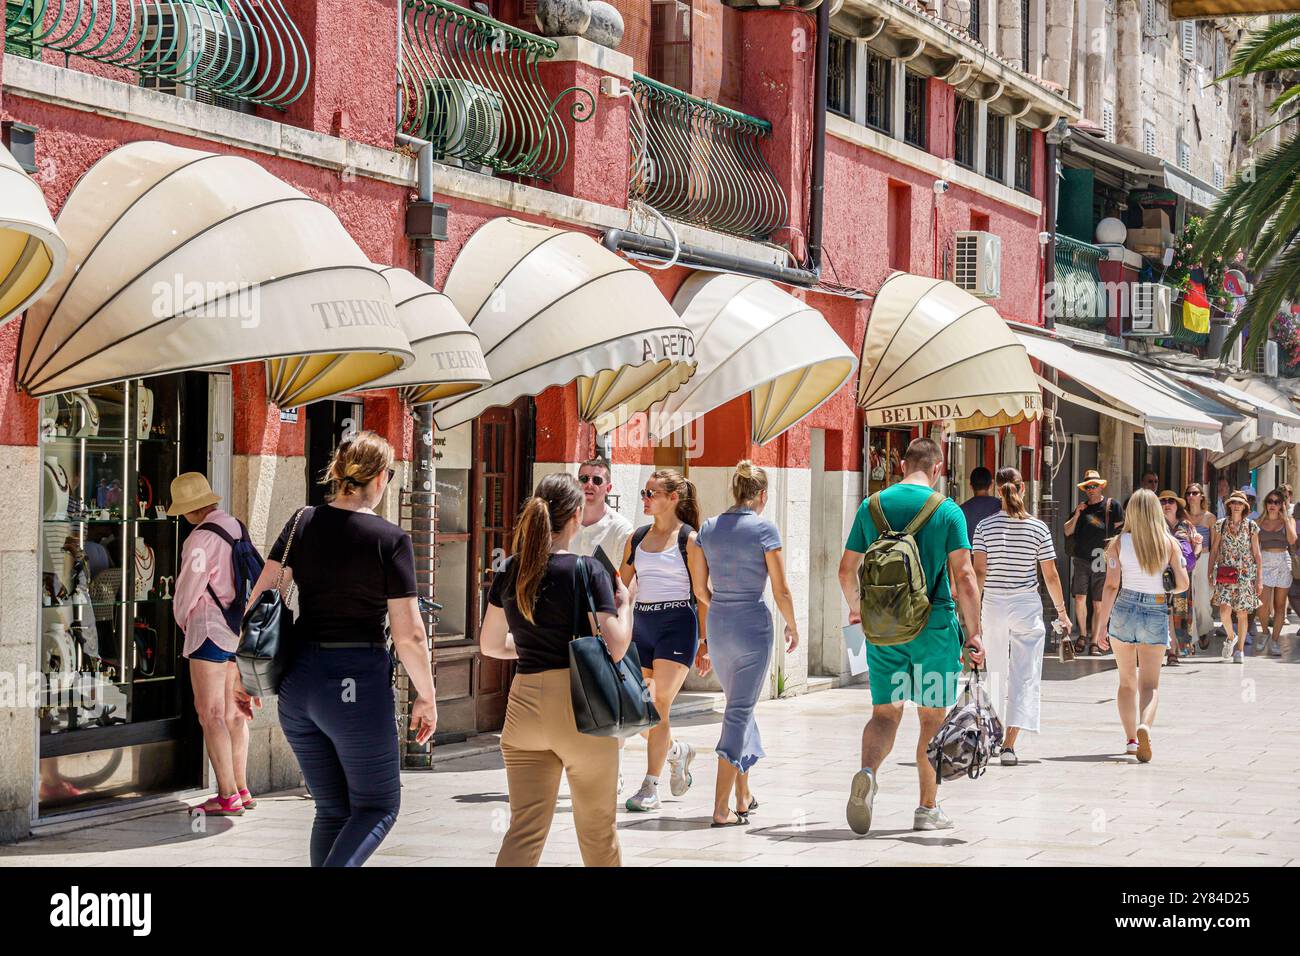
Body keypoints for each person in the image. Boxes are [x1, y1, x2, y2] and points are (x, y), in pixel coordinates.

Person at [242, 432, 436, 867]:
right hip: (355, 682)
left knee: (332, 809)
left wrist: (245, 676)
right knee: (378, 806)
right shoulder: (389, 539)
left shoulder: (301, 522)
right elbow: (409, 636)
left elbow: (259, 603)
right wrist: (426, 694)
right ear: (381, 477)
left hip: (298, 685)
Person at [480, 473, 633, 866]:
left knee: (524, 829)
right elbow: (616, 646)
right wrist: (627, 605)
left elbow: (491, 644)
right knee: (598, 830)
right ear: (577, 515)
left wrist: (533, 644)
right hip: (581, 707)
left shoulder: (511, 569)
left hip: (524, 705)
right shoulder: (588, 570)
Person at [838, 437, 985, 834]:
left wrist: (858, 607)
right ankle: (926, 808)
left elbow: (845, 569)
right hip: (934, 629)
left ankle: (867, 771)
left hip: (884, 631)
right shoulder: (948, 511)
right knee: (931, 718)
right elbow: (966, 578)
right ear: (937, 469)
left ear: (902, 465)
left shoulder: (872, 507)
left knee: (885, 714)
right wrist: (974, 634)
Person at [694, 461, 798, 827]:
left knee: (740, 707)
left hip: (720, 624)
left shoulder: (708, 529)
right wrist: (793, 626)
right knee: (739, 712)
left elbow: (699, 589)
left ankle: (743, 795)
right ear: (763, 495)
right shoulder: (764, 529)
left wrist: (718, 611)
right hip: (753, 625)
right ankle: (720, 807)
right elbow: (781, 588)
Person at [170, 472, 255, 817]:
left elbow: (188, 589)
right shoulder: (235, 526)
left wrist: (181, 620)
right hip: (238, 631)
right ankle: (241, 787)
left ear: (190, 510)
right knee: (235, 713)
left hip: (209, 631)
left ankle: (225, 795)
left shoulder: (200, 539)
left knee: (210, 714)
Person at [619, 469, 704, 812]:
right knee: (641, 711)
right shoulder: (636, 537)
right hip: (643, 625)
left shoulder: (690, 540)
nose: (645, 498)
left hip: (678, 624)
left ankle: (649, 787)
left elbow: (701, 593)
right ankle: (676, 752)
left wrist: (707, 639)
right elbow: (621, 586)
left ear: (673, 498)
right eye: (644, 492)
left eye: (652, 493)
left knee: (658, 706)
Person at [971, 467, 1068, 767]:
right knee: (1025, 674)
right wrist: (1063, 614)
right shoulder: (1038, 529)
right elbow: (1050, 575)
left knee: (996, 673)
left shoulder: (984, 528)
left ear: (997, 490)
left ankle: (995, 735)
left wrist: (973, 618)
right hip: (1026, 604)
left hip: (994, 605)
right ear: (1022, 488)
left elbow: (979, 573)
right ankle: (1010, 745)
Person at [1091, 490, 1189, 763]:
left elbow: (1110, 586)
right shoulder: (1169, 544)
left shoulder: (1118, 544)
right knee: (1151, 685)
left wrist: (1101, 627)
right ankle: (1145, 724)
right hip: (1155, 610)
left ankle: (1131, 740)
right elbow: (1183, 585)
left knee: (1126, 682)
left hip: (1124, 607)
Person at [1063, 470, 1124, 656]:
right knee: (1080, 597)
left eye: (1094, 486)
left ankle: (1095, 640)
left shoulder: (1112, 505)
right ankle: (1082, 635)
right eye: (1088, 487)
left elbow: (1121, 531)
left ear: (1101, 486)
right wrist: (1077, 514)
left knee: (1098, 602)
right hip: (1081, 557)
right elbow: (1066, 531)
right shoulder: (1081, 508)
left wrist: (1114, 553)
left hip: (1101, 556)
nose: (1091, 489)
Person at [1209, 490, 1262, 664]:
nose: (1237, 505)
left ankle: (1239, 651)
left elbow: (1257, 553)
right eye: (1234, 502)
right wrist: (1210, 571)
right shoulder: (1220, 525)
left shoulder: (1251, 526)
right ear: (1229, 505)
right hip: (1226, 572)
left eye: (1240, 503)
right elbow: (1214, 549)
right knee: (1224, 610)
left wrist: (1259, 579)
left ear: (1245, 506)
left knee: (1242, 614)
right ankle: (1231, 637)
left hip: (1246, 574)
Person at [1159, 491, 1202, 664]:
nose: (1167, 504)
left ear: (1177, 505)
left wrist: (1196, 554)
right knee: (1164, 612)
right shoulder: (1156, 525)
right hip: (1160, 575)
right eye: (1163, 501)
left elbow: (1196, 545)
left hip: (1182, 575)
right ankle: (1170, 650)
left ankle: (1175, 650)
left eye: (1171, 501)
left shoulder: (1186, 525)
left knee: (1180, 612)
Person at [572, 455, 633, 577]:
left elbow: (627, 580)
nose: (589, 485)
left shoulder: (621, 528)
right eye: (584, 479)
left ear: (608, 488)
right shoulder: (564, 521)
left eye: (597, 480)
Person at [1254, 490, 1294, 657]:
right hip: (1265, 560)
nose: (1273, 504)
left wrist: (1285, 519)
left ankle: (1275, 640)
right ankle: (1264, 631)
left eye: (1277, 502)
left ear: (1282, 505)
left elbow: (1292, 540)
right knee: (1262, 606)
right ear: (1265, 503)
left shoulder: (1287, 520)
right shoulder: (1258, 522)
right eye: (1270, 501)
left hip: (1283, 561)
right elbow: (1254, 547)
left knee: (1279, 605)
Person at [1183, 482, 1216, 652]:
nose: (1191, 496)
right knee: (1188, 599)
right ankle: (1191, 637)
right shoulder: (1182, 516)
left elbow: (1215, 545)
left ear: (1202, 496)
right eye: (1188, 493)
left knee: (1203, 601)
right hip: (1186, 559)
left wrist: (1211, 568)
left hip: (1204, 558)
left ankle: (1203, 630)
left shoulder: (1209, 518)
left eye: (1195, 493)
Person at [959, 466, 1000, 540]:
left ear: (971, 486)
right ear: (991, 485)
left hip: (971, 551)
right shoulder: (1000, 506)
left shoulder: (961, 510)